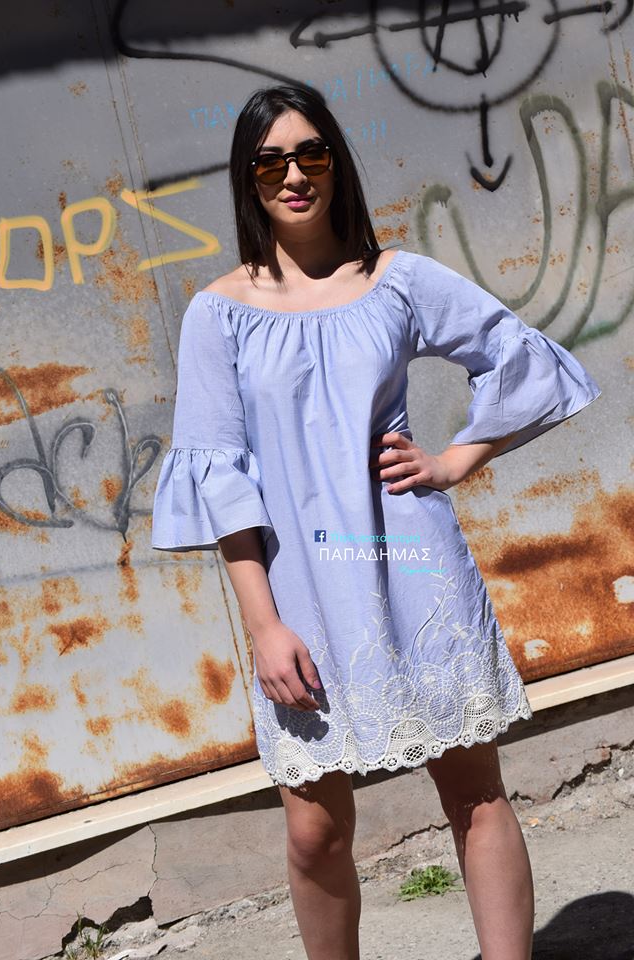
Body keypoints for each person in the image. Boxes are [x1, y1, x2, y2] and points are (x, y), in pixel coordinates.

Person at [151, 83, 601, 960]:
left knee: (475, 794)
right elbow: (220, 481)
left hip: (414, 564)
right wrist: (263, 626)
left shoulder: (398, 280)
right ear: (247, 179)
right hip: (300, 591)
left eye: (310, 154)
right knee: (315, 830)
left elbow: (518, 356)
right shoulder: (218, 314)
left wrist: (457, 459)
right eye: (270, 163)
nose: (293, 176)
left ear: (336, 163)